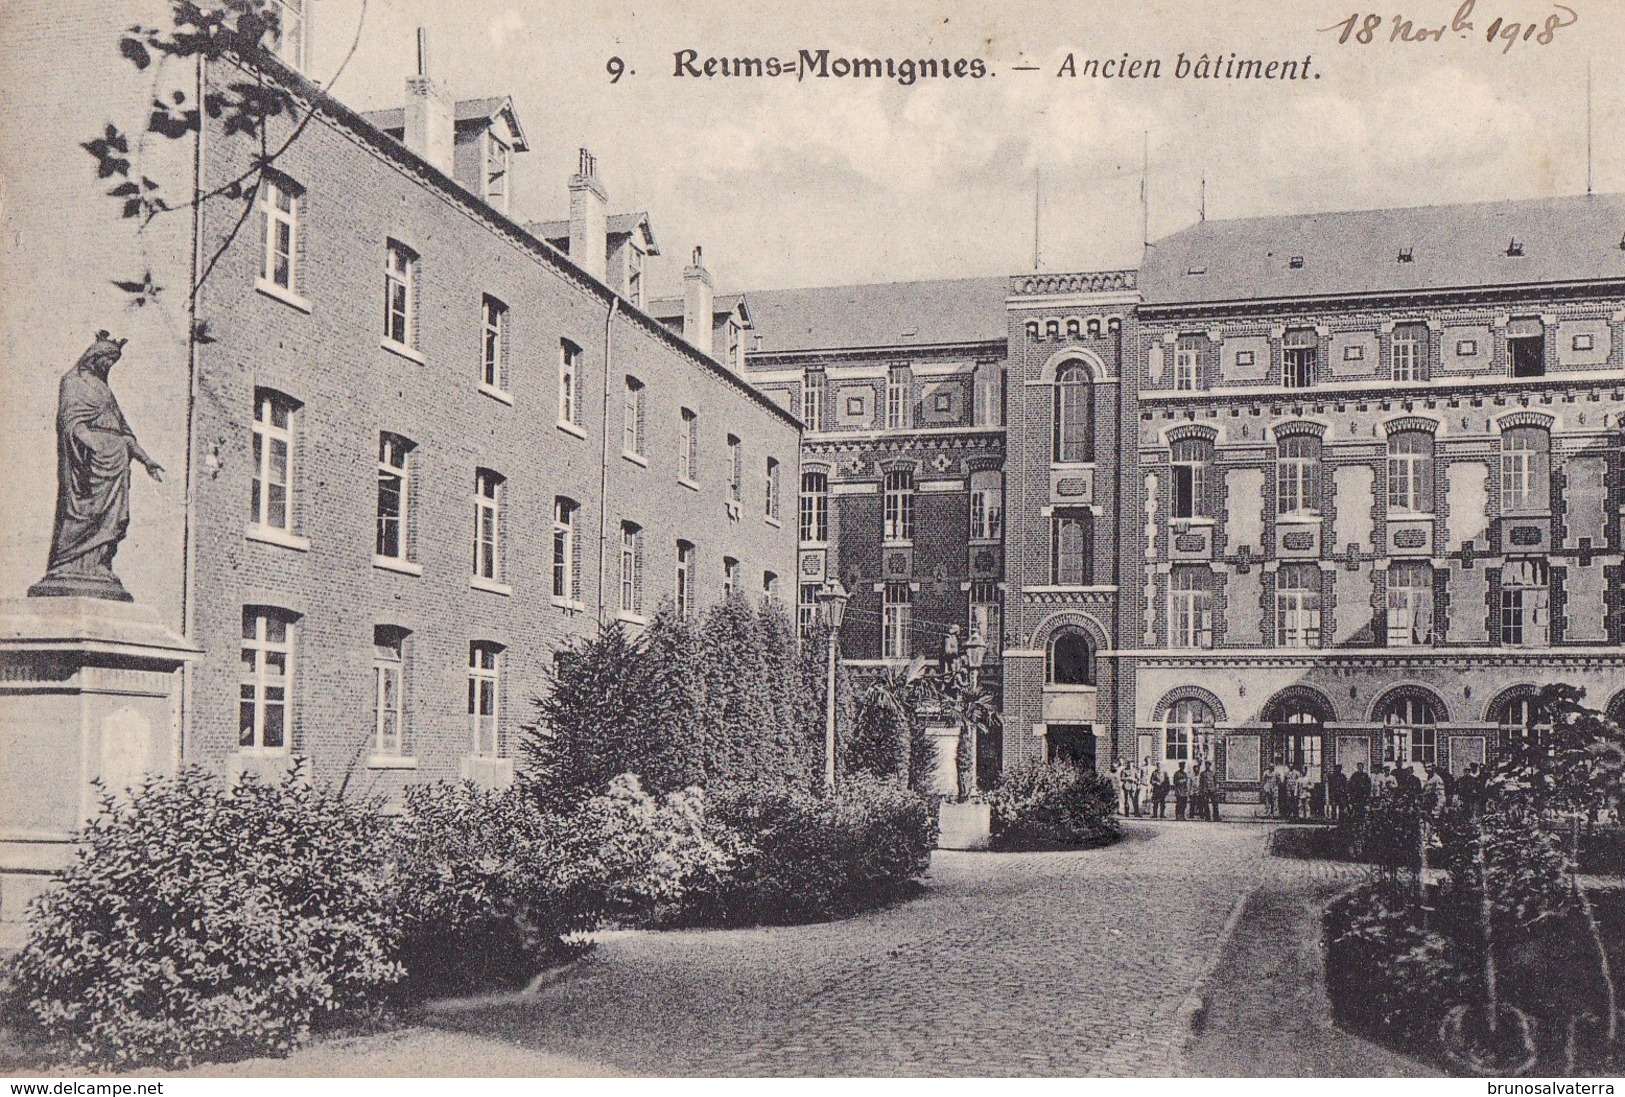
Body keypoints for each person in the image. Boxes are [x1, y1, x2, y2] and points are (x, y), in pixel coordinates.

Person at [30, 332, 164, 601]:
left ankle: (99, 565)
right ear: (94, 357)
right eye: (107, 359)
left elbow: (125, 432)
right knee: (84, 512)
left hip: (116, 461)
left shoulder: (106, 391)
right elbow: (71, 423)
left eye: (113, 361)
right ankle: (68, 565)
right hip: (89, 461)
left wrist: (146, 459)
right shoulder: (72, 382)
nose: (109, 366)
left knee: (117, 518)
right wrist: (91, 444)